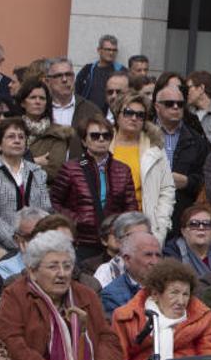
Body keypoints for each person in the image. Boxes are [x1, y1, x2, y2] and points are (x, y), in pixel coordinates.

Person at [0, 231, 135, 360]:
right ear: (33, 271)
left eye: (67, 266)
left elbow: (107, 338)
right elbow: (12, 344)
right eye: (53, 267)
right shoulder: (16, 295)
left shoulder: (86, 294)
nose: (62, 273)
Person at [111, 259, 211, 360]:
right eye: (174, 293)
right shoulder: (127, 317)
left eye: (185, 294)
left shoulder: (202, 317)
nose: (181, 301)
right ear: (155, 294)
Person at [51, 116, 138, 260]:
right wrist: (76, 219)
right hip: (81, 241)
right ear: (84, 141)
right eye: (95, 136)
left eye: (106, 135)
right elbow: (54, 202)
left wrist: (120, 227)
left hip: (114, 242)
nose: (101, 139)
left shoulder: (123, 169)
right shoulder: (71, 168)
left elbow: (131, 207)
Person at [107, 92, 175, 243]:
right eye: (128, 112)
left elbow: (167, 189)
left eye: (140, 115)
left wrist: (160, 226)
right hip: (108, 223)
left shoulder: (154, 147)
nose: (134, 118)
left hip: (143, 223)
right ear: (117, 115)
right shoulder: (103, 141)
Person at [0, 118, 52, 250]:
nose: (17, 140)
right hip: (0, 245)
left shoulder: (38, 172)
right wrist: (16, 241)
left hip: (37, 244)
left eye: (21, 137)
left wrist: (37, 240)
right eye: (11, 136)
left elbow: (45, 209)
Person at [152, 82, 210, 230]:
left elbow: (209, 177)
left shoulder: (197, 140)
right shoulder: (143, 136)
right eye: (169, 104)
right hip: (149, 209)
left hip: (182, 215)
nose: (176, 107)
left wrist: (188, 182)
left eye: (180, 104)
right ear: (157, 107)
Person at [16, 79, 76, 181]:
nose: (38, 101)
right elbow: (2, 164)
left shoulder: (58, 134)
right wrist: (35, 161)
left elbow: (54, 172)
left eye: (42, 98)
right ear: (23, 103)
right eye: (33, 97)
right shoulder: (11, 129)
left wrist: (19, 165)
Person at [100, 232, 163, 315]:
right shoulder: (112, 295)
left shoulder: (170, 287)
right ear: (127, 259)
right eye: (148, 255)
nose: (155, 262)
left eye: (158, 255)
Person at [162, 205, 211, 284]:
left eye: (207, 224)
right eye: (194, 224)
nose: (201, 228)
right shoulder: (172, 254)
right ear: (183, 231)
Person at [88, 212, 152, 287]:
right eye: (133, 236)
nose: (140, 241)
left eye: (145, 235)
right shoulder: (106, 271)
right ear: (120, 240)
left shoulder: (161, 267)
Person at [47, 57, 104, 134]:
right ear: (48, 81)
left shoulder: (91, 110)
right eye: (59, 75)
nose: (64, 80)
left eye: (68, 75)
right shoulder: (41, 108)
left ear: (74, 78)